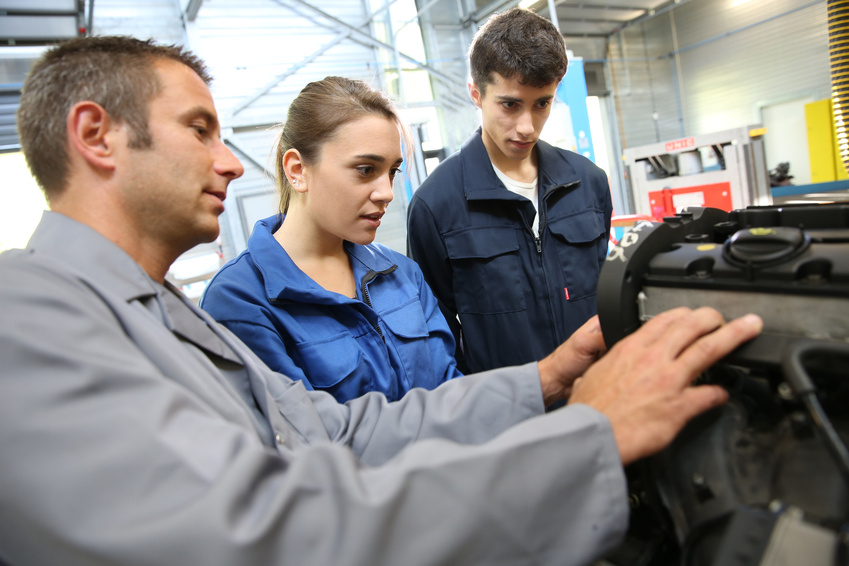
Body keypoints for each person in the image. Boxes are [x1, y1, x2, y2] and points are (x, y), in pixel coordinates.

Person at [0, 35, 763, 566]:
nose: (230, 163)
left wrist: (546, 379)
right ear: (97, 136)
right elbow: (265, 529)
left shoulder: (168, 317)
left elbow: (342, 431)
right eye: (199, 130)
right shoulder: (26, 317)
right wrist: (590, 437)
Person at [200, 77, 462, 403]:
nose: (387, 193)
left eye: (392, 171)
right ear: (297, 170)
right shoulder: (241, 301)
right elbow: (304, 436)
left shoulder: (402, 275)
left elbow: (453, 396)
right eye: (366, 169)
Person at [407, 8, 613, 374]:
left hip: (595, 393)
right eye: (510, 104)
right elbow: (436, 334)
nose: (527, 127)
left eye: (542, 104)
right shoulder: (435, 205)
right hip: (509, 416)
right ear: (476, 93)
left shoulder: (588, 183)